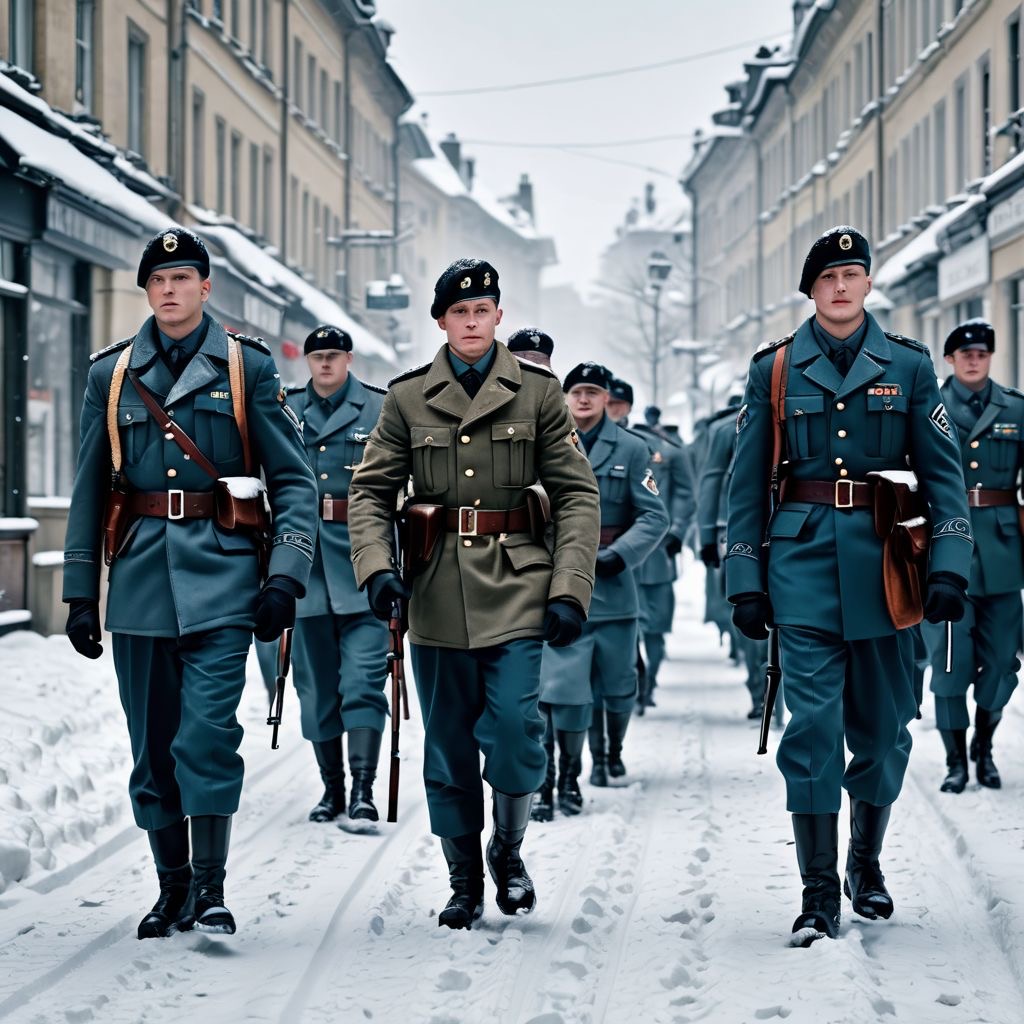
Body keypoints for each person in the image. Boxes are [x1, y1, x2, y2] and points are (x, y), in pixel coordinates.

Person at [63, 227, 317, 938]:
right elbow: (89, 485)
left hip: (224, 576)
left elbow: (294, 480)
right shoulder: (110, 374)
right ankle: (170, 886)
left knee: (205, 735)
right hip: (141, 580)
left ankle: (209, 888)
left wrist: (285, 576)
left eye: (182, 278)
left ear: (206, 287)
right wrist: (81, 591)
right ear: (146, 291)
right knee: (152, 748)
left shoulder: (247, 367)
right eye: (158, 280)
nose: (169, 290)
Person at [726, 226, 972, 944]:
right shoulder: (774, 368)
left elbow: (944, 477)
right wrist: (744, 577)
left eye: (852, 274)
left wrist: (950, 566)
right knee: (813, 729)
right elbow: (746, 483)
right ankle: (818, 890)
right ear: (811, 289)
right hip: (800, 565)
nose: (840, 287)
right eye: (827, 277)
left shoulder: (909, 365)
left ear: (868, 283)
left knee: (886, 730)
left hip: (889, 567)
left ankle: (865, 862)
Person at [347, 258, 600, 929]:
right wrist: (376, 568)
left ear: (497, 317)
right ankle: (463, 881)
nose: (470, 322)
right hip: (434, 589)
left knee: (516, 730)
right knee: (449, 743)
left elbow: (577, 495)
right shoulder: (407, 398)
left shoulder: (538, 394)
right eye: (458, 312)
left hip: (519, 583)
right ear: (441, 321)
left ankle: (507, 851)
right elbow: (370, 492)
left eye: (481, 310)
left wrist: (570, 588)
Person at [535, 363, 667, 814]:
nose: (584, 399)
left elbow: (654, 515)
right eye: (577, 392)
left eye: (593, 392)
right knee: (562, 688)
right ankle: (560, 778)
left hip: (612, 584)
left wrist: (620, 555)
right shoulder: (545, 440)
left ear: (607, 398)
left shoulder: (633, 449)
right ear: (565, 397)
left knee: (619, 684)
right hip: (557, 580)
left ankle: (611, 752)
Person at [281, 325, 389, 824]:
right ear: (307, 362)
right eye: (317, 356)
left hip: (364, 565)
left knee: (364, 682)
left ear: (349, 359)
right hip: (305, 569)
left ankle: (364, 789)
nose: (325, 364)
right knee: (316, 688)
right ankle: (333, 789)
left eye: (333, 355)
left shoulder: (380, 408)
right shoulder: (284, 409)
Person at [923, 320, 1024, 793]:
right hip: (945, 551)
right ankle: (956, 760)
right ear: (950, 359)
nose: (974, 360)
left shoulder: (1017, 409)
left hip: (1004, 551)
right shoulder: (927, 406)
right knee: (949, 661)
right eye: (965, 354)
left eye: (982, 353)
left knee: (1002, 661)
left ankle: (984, 746)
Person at [615, 380, 695, 712]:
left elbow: (686, 494)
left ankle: (648, 683)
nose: (613, 410)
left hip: (657, 552)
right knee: (625, 627)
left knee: (656, 626)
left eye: (618, 404)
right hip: (615, 554)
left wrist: (677, 531)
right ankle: (634, 684)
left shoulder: (665, 450)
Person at [698, 395, 768, 718]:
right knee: (750, 614)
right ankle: (759, 690)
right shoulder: (729, 429)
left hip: (799, 531)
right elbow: (711, 481)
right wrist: (707, 536)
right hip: (740, 533)